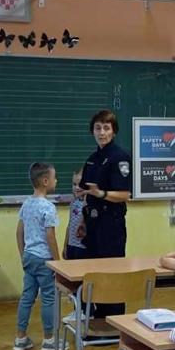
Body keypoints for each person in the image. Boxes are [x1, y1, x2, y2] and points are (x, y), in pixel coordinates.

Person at [14, 162, 64, 350]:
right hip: (44, 260)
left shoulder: (26, 204)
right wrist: (57, 262)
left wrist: (23, 255)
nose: (56, 180)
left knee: (27, 297)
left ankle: (20, 338)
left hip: (29, 257)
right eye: (54, 177)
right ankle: (49, 340)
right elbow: (50, 237)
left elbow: (19, 232)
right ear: (45, 181)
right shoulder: (48, 207)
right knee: (49, 298)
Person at [77, 110, 131, 260]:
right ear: (92, 131)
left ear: (114, 132)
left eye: (106, 128)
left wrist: (101, 193)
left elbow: (125, 195)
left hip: (110, 225)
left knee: (110, 270)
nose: (102, 133)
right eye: (98, 128)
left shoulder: (120, 157)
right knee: (91, 269)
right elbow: (87, 191)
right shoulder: (92, 159)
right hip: (91, 222)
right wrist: (83, 220)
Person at [63, 168, 87, 260]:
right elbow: (69, 225)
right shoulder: (73, 202)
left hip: (83, 248)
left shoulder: (89, 204)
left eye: (80, 184)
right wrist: (65, 246)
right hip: (71, 246)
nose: (76, 187)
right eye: (74, 184)